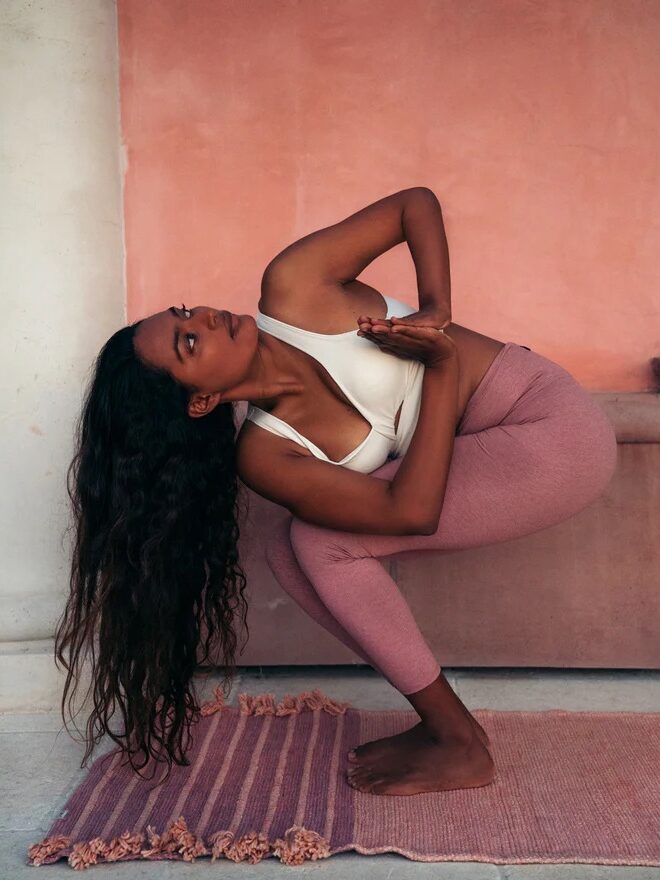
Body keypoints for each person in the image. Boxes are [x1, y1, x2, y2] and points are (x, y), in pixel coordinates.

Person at [56, 188, 618, 794]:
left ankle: (454, 737)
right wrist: (441, 366)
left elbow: (414, 205)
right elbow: (412, 512)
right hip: (495, 446)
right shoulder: (268, 453)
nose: (207, 319)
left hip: (552, 429)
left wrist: (436, 311)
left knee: (318, 543)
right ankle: (450, 729)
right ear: (202, 401)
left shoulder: (294, 286)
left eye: (187, 312)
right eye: (189, 342)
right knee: (287, 550)